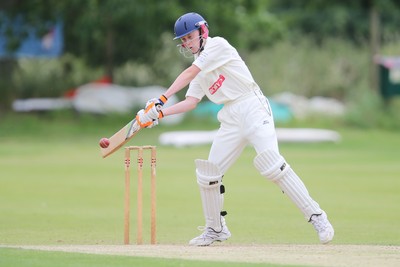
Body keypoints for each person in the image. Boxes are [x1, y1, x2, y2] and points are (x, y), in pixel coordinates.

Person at [136, 12, 334, 246]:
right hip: (230, 116)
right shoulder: (201, 71)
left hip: (252, 106)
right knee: (208, 174)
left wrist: (161, 98)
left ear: (203, 31)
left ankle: (317, 216)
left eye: (190, 37)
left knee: (272, 164)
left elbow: (189, 73)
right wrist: (159, 113)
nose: (187, 43)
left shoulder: (218, 45)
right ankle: (215, 229)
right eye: (184, 40)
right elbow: (191, 102)